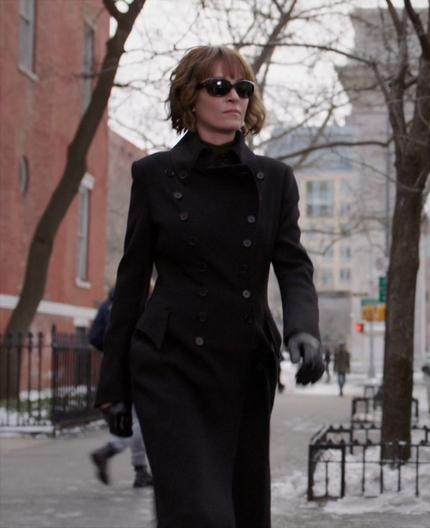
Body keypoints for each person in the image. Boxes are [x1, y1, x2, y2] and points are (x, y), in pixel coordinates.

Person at [95, 46, 324, 528]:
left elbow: (292, 264)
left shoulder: (275, 180)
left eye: (243, 89)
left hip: (244, 365)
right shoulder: (154, 175)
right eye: (218, 87)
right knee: (200, 513)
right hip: (170, 363)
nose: (233, 98)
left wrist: (304, 330)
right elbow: (132, 281)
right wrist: (115, 388)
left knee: (242, 510)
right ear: (190, 97)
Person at [88, 289, 153, 488]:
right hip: (135, 366)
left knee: (130, 417)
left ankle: (140, 472)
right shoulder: (140, 305)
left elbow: (94, 337)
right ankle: (109, 450)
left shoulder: (107, 306)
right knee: (141, 420)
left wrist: (110, 350)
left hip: (113, 367)